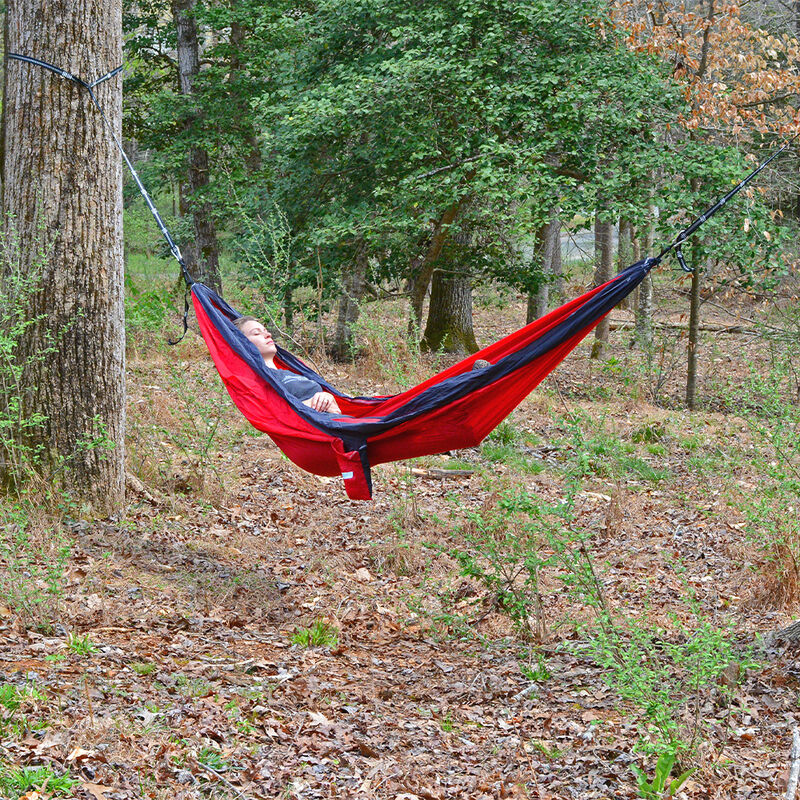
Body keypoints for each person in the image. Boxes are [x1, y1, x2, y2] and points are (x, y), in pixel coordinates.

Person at [233, 316, 342, 414]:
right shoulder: (257, 380)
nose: (268, 335)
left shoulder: (290, 372)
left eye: (265, 330)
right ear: (243, 344)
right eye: (256, 333)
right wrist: (314, 404)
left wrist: (328, 397)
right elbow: (273, 415)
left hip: (339, 426)